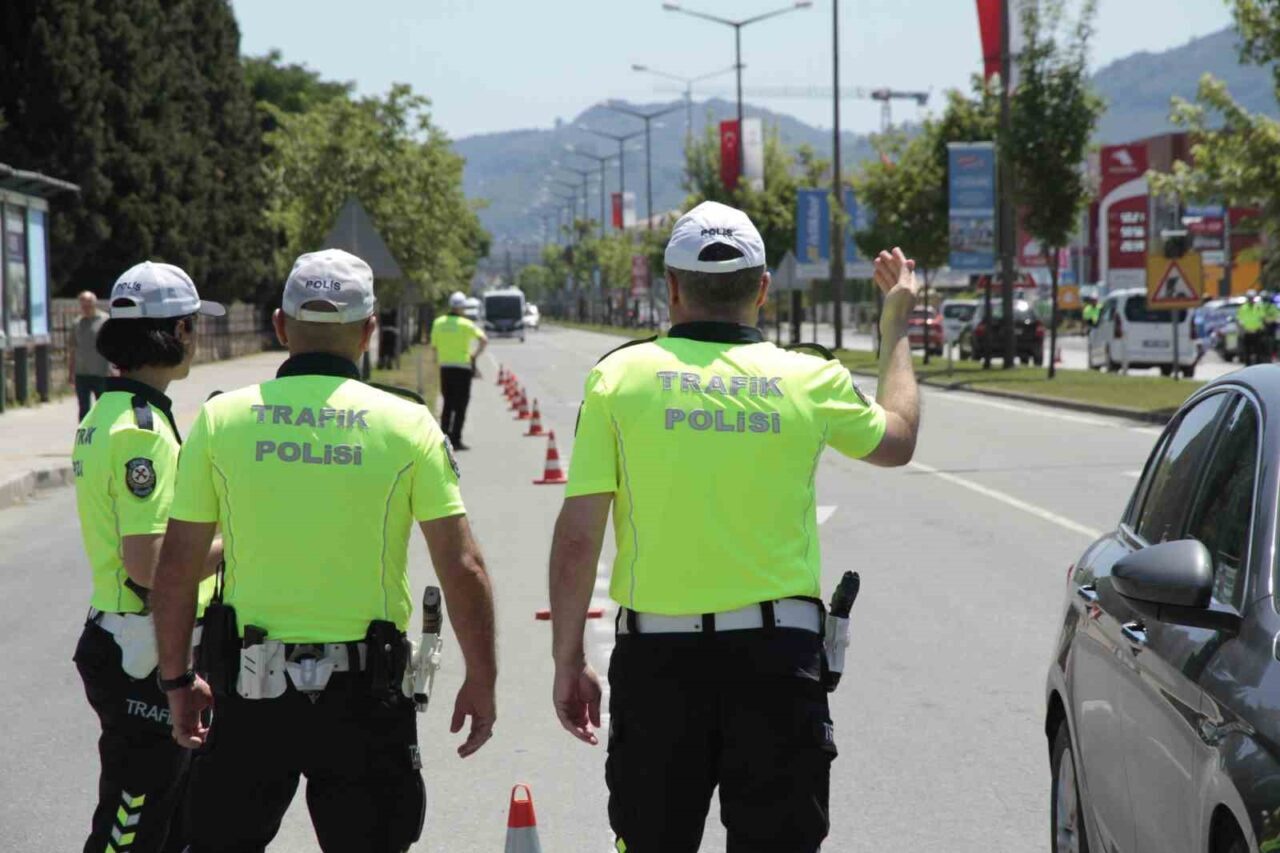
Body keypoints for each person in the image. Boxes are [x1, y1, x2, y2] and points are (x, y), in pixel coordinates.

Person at [547, 201, 922, 853]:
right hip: (778, 665)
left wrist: (569, 658)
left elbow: (579, 536)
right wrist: (897, 328)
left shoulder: (617, 379)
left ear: (670, 287)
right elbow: (898, 437)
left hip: (658, 668)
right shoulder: (810, 377)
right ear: (762, 288)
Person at [150, 249, 498, 853]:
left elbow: (177, 567)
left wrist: (177, 679)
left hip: (251, 699)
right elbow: (461, 565)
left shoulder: (221, 418)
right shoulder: (408, 423)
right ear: (369, 332)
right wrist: (483, 678)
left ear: (281, 327)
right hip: (366, 702)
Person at [71, 261, 225, 853]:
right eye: (195, 326)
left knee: (163, 820)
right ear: (181, 332)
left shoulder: (109, 412)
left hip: (124, 639)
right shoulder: (142, 431)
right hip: (143, 653)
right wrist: (235, 538)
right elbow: (151, 568)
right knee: (133, 825)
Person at [430, 291, 488, 450]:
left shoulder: (438, 322)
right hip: (463, 368)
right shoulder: (466, 324)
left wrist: (437, 362)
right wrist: (474, 355)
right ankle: (456, 439)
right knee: (461, 405)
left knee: (447, 403)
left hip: (445, 368)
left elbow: (433, 347)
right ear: (462, 308)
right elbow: (484, 340)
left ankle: (443, 438)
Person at [69, 290, 111, 420]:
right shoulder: (77, 323)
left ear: (95, 304)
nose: (86, 308)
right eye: (83, 306)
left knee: (103, 407)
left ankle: (104, 434)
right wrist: (70, 373)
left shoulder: (105, 321)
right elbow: (72, 349)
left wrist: (114, 368)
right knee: (83, 408)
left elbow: (113, 347)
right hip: (81, 373)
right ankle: (84, 436)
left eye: (89, 305)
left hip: (101, 372)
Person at [1237, 290, 1266, 365]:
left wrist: (1261, 327)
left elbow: (1262, 318)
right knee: (1247, 352)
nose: (1251, 300)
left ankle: (1258, 365)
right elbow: (1239, 319)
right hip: (1247, 332)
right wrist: (1241, 328)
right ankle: (1248, 366)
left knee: (1258, 351)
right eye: (1250, 298)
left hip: (1257, 332)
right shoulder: (1243, 307)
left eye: (1252, 298)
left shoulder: (1258, 307)